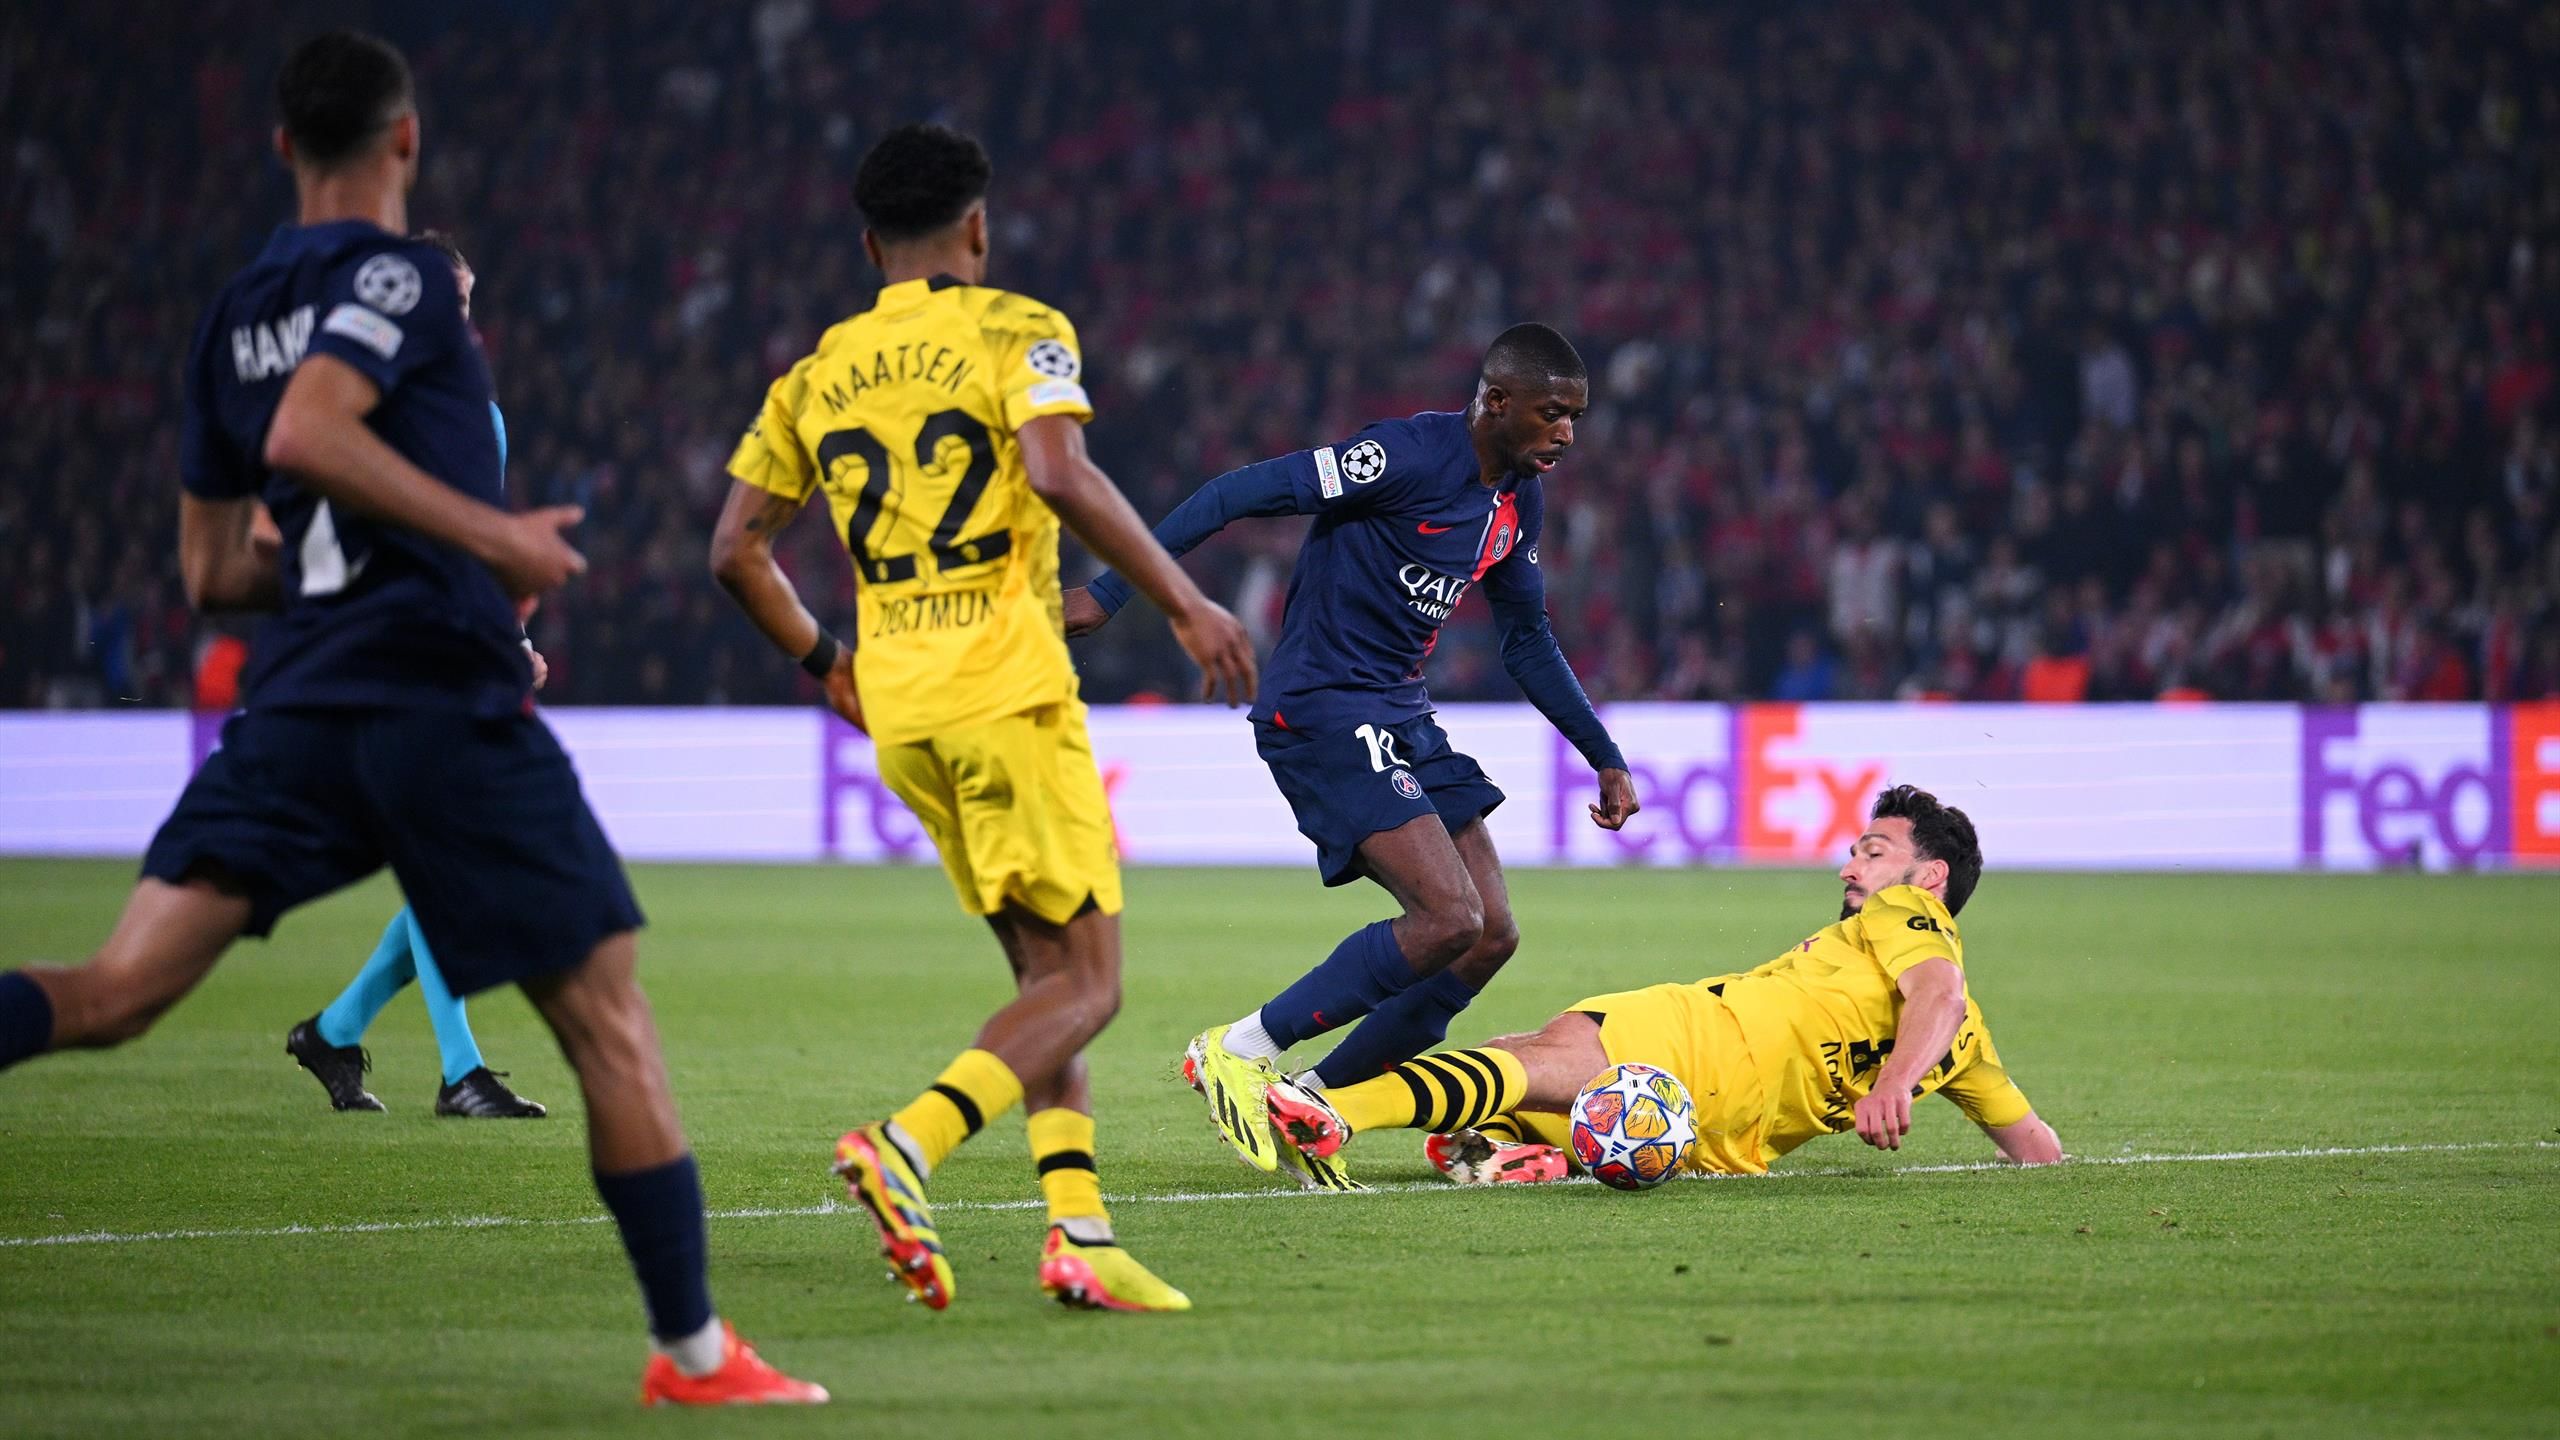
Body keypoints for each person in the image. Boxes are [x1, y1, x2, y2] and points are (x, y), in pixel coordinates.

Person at [0, 33, 822, 1406]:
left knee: (114, 992)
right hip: (438, 698)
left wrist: (381, 568)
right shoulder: (412, 280)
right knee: (608, 1023)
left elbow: (214, 574)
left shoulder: (230, 319)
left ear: (281, 147)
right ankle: (693, 1355)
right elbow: (311, 436)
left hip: (300, 704)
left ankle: (367, 1045)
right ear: (406, 140)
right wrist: (493, 546)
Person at [710, 122, 1255, 1313]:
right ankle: (903, 1146)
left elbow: (735, 551)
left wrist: (826, 663)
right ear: (977, 226)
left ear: (869, 246)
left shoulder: (812, 375)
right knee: (1093, 984)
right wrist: (1184, 601)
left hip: (901, 707)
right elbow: (1057, 472)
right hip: (1005, 691)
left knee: (1042, 978)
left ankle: (1080, 1234)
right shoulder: (1017, 328)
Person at [1062, 324, 1640, 1188]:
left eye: (1576, 418)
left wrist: (1603, 754)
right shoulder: (1403, 456)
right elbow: (1235, 491)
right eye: (1552, 413)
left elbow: (1526, 639)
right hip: (1323, 703)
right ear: (1496, 402)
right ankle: (1238, 1049)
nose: (1566, 434)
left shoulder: (1518, 500)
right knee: (1446, 916)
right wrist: (1111, 592)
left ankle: (1313, 1104)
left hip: (1402, 710)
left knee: (1487, 935)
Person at [1258, 785, 2065, 1182]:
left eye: (1874, 852)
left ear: (1930, 878)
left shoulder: (1905, 915)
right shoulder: (1965, 1047)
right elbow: (2035, 1148)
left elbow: (1938, 992)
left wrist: (1890, 1084)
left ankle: (1336, 1112)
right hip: (1714, 1148)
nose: (1851, 866)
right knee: (1524, 1063)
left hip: (1700, 1041)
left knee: (1536, 1061)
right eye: (1856, 851)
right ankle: (1516, 1150)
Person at [284, 229, 544, 1120]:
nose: (461, 320)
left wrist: (508, 640)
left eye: (468, 303)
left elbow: (480, 550)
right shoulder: (355, 409)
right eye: (449, 301)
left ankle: (335, 1032)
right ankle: (460, 1073)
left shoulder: (481, 418)